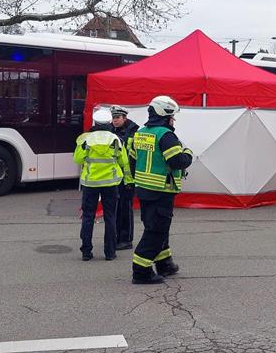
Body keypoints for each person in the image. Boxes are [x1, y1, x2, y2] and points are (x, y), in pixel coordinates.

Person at [129, 96, 193, 285]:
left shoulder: (140, 133)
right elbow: (177, 162)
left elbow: (133, 160)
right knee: (156, 231)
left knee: (158, 228)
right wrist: (188, 154)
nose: (173, 120)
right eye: (172, 116)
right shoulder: (166, 135)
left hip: (144, 188)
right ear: (165, 115)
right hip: (161, 190)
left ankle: (165, 264)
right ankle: (141, 271)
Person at [74, 108, 130, 262]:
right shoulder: (116, 140)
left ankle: (86, 252)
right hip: (111, 183)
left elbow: (78, 159)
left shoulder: (85, 139)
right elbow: (123, 161)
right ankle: (110, 252)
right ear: (109, 122)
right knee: (110, 217)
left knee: (88, 217)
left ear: (95, 122)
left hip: (90, 183)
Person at [110, 105, 139, 251]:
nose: (115, 121)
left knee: (125, 209)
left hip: (128, 177)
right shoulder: (110, 130)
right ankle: (117, 237)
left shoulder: (134, 131)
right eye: (113, 118)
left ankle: (126, 239)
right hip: (115, 175)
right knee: (116, 208)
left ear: (124, 118)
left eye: (117, 118)